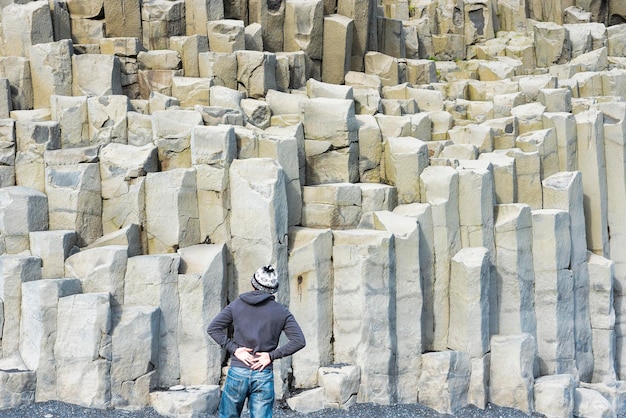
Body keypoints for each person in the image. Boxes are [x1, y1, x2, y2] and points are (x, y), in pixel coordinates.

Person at [207, 264, 306, 418]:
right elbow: (299, 341)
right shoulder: (282, 312)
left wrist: (234, 349)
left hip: (238, 371)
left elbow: (213, 328)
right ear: (274, 289)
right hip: (263, 373)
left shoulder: (236, 305)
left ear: (253, 283)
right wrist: (271, 355)